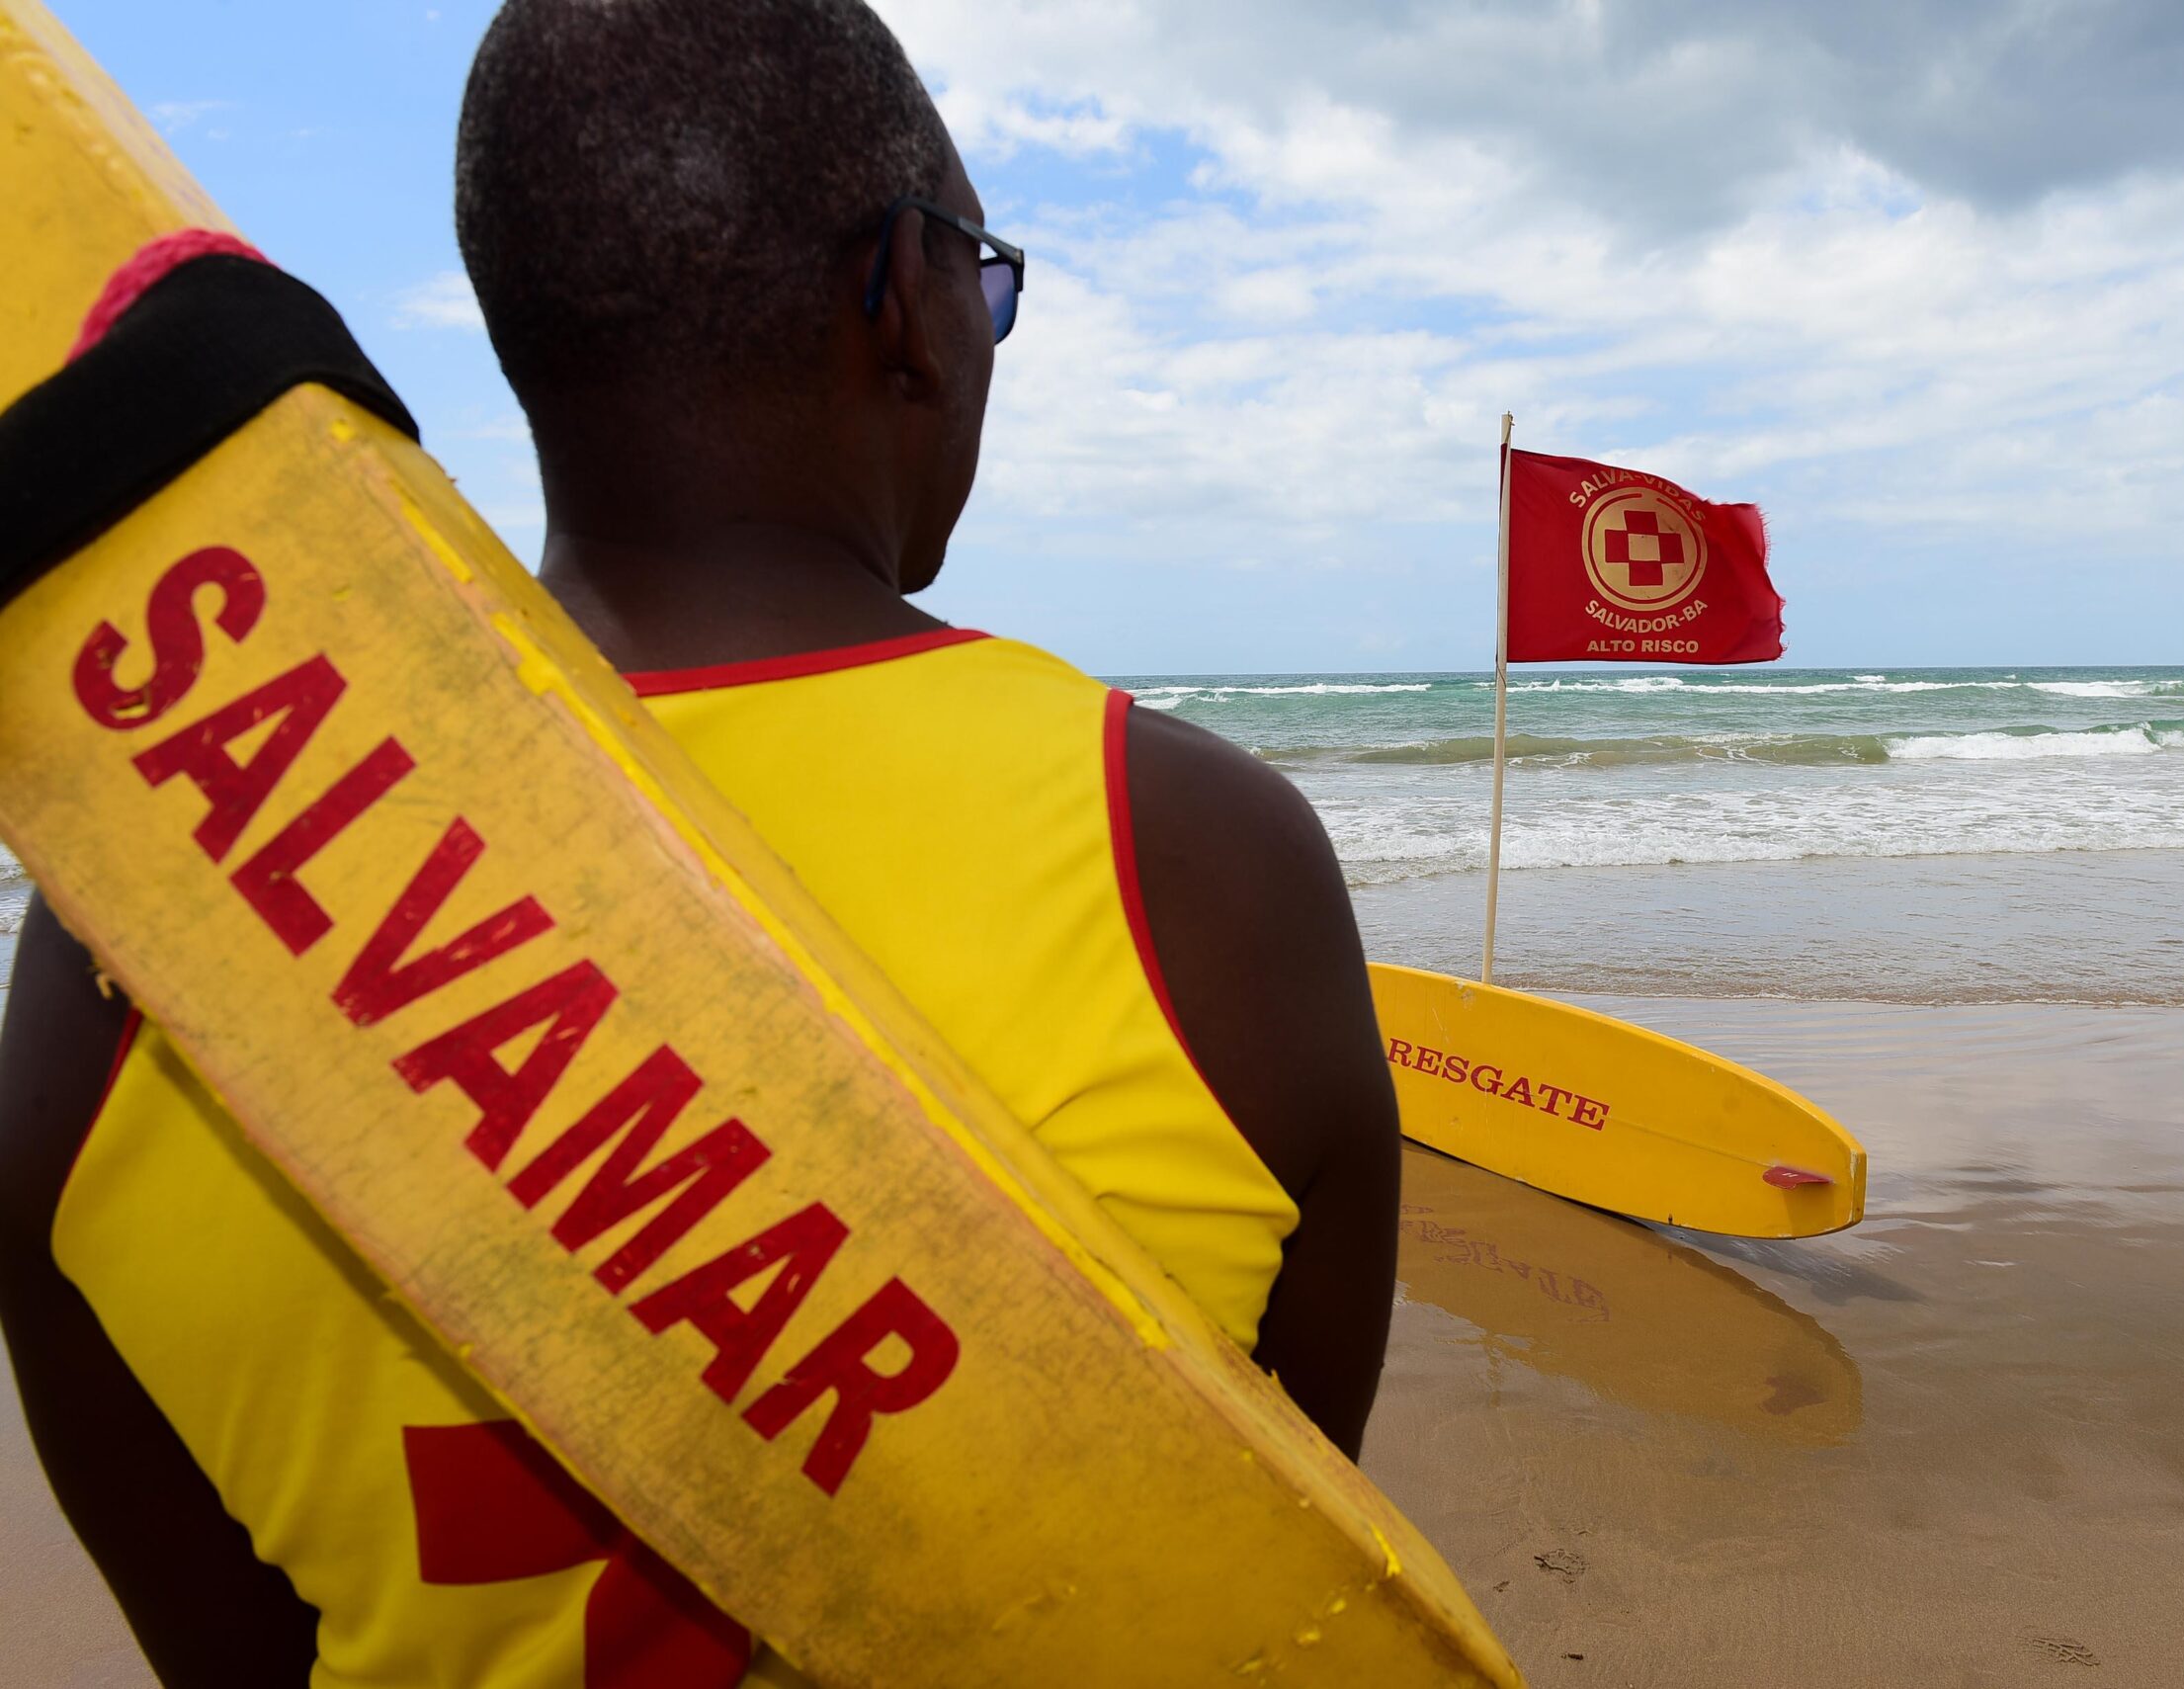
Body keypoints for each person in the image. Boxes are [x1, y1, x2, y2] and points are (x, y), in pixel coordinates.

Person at [0, 3, 1401, 1684]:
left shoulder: (133, 952)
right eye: (989, 272)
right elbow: (1260, 1594)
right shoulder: (1205, 870)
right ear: (901, 296)